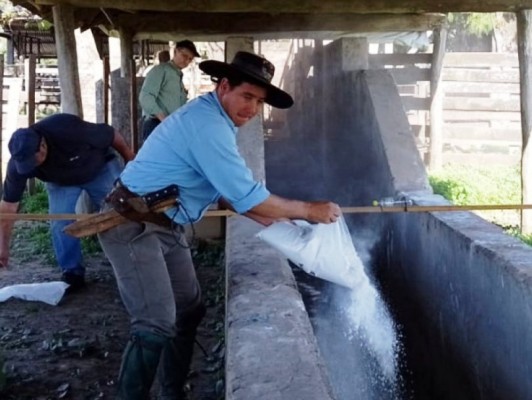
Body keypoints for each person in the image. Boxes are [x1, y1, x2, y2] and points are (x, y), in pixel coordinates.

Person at [97, 51, 341, 400]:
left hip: (164, 223)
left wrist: (288, 226)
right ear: (224, 86)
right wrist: (308, 210)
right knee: (155, 322)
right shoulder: (207, 125)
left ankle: (170, 392)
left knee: (190, 308)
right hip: (130, 222)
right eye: (246, 96)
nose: (252, 109)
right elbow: (247, 196)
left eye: (259, 101)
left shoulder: (218, 121)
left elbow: (233, 198)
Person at [0, 113, 135, 291]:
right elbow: (8, 208)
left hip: (99, 168)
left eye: (33, 161)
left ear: (42, 145)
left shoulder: (67, 129)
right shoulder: (18, 166)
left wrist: (130, 159)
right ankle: (72, 272)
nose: (30, 167)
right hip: (60, 182)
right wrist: (2, 247)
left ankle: (135, 260)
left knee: (122, 212)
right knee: (60, 224)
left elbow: (111, 134)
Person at [139, 40, 200, 140]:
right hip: (156, 123)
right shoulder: (160, 70)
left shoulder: (177, 75)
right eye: (184, 56)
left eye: (190, 59)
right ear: (176, 51)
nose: (187, 61)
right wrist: (163, 118)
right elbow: (145, 96)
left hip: (170, 124)